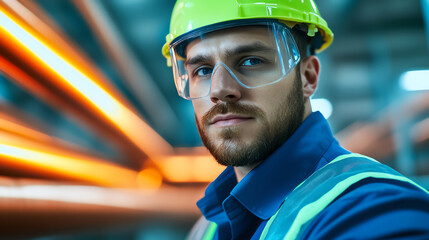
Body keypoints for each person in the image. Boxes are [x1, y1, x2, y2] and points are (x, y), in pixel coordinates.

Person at [161, 0, 429, 239]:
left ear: (308, 77)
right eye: (203, 70)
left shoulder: (374, 212)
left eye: (251, 61)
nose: (219, 90)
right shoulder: (208, 228)